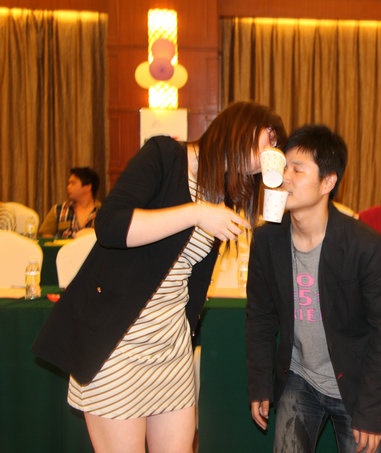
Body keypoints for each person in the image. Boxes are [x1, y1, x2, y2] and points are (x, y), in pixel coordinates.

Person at [33, 101, 286, 453]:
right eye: (268, 138)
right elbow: (111, 226)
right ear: (239, 126)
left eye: (277, 146)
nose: (270, 152)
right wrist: (196, 213)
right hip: (118, 345)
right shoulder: (165, 155)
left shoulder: (221, 193)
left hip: (170, 347)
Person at [246, 124, 381, 453]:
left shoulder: (365, 245)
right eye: (284, 167)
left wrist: (372, 411)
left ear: (328, 182)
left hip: (357, 383)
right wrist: (260, 383)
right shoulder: (267, 239)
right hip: (299, 377)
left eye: (297, 169)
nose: (285, 177)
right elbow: (260, 317)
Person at [38, 166, 101, 238]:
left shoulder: (102, 212)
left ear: (88, 187)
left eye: (73, 183)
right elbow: (45, 234)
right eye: (68, 183)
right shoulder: (58, 210)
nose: (68, 187)